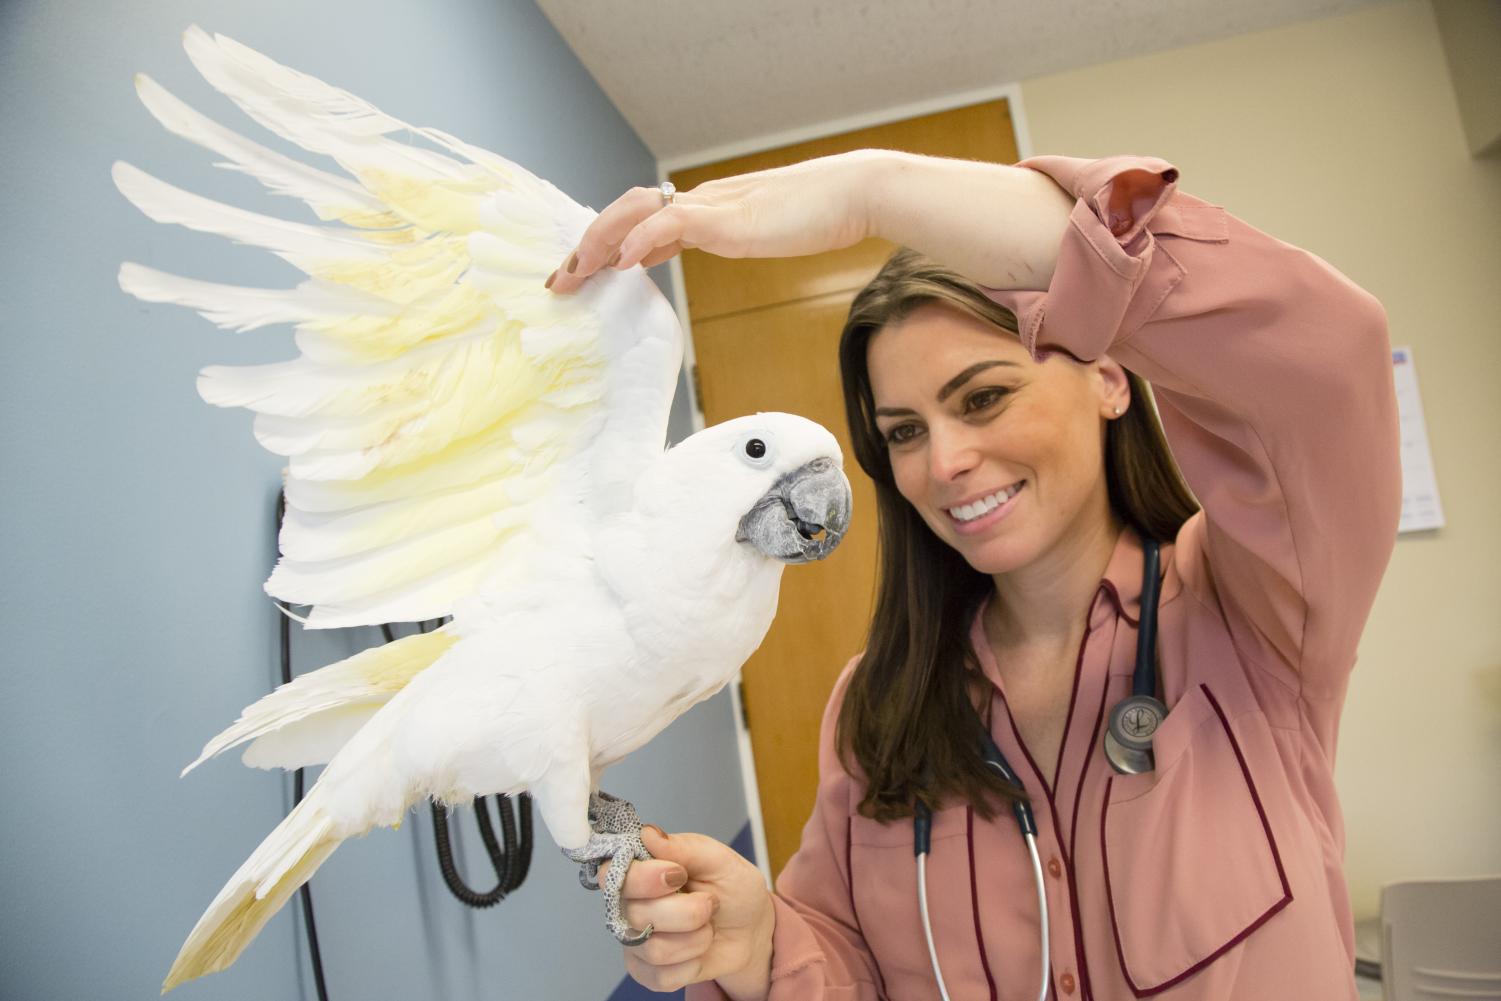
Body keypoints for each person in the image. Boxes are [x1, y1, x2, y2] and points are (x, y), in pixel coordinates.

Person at [548, 150, 1401, 1000]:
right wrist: (759, 947)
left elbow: (1325, 357)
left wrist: (868, 191)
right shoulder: (876, 705)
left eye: (983, 397)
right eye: (904, 432)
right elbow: (851, 965)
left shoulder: (1251, 609)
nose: (943, 462)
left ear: (1108, 378)